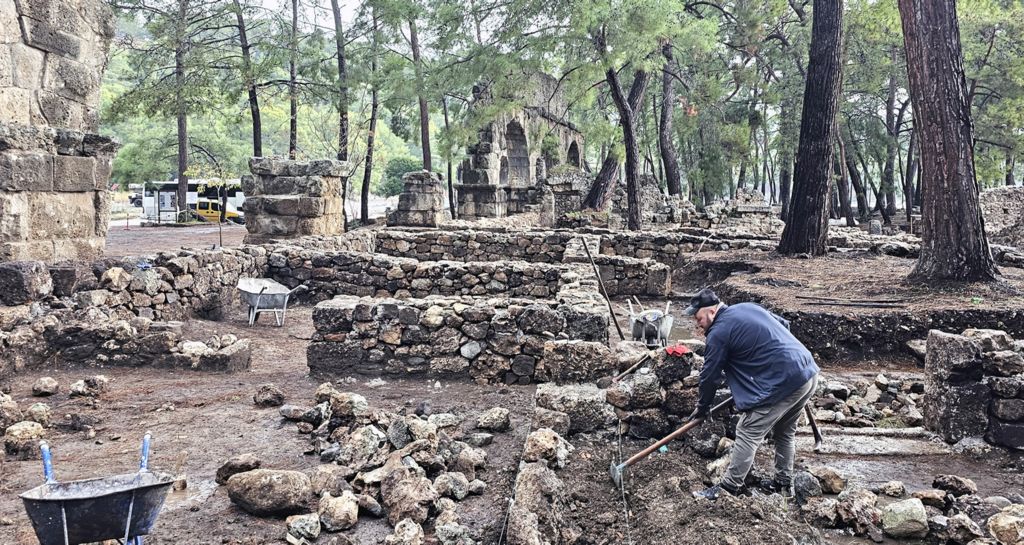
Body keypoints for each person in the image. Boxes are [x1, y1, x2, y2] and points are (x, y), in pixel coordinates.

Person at [682, 288, 819, 500]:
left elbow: (710, 376)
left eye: (698, 317)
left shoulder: (719, 332)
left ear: (710, 312)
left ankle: (727, 489)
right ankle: (782, 483)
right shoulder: (747, 307)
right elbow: (784, 326)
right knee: (785, 431)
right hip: (807, 372)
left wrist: (702, 408)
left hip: (784, 382)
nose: (696, 323)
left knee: (747, 430)